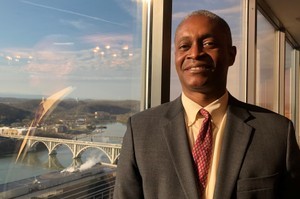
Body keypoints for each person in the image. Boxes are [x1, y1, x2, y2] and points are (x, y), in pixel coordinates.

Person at [113, 10, 300, 199]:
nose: (195, 53)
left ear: (232, 54)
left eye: (208, 43)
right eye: (184, 46)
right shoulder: (140, 130)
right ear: (175, 57)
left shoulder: (277, 133)